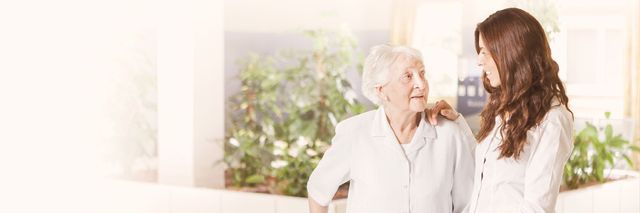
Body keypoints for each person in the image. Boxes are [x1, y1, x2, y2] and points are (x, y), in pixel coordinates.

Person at [428, 8, 574, 213]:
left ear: (512, 52)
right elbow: (489, 170)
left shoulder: (552, 119)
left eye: (486, 51)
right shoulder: (508, 107)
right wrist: (458, 122)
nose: (479, 60)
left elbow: (537, 208)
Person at [306, 44, 475, 213]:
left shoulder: (449, 133)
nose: (421, 84)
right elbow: (318, 190)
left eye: (422, 74)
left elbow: (468, 204)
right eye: (407, 76)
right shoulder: (355, 133)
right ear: (381, 90)